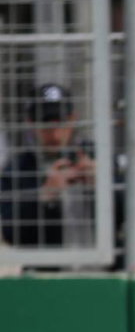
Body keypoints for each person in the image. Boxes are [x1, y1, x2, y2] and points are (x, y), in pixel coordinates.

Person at [0, 83, 112, 257]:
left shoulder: (98, 156)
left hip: (106, 273)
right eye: (45, 125)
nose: (54, 134)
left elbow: (133, 217)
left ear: (72, 119)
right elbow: (10, 234)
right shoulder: (18, 169)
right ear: (31, 123)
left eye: (60, 123)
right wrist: (44, 195)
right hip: (48, 275)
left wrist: (102, 186)